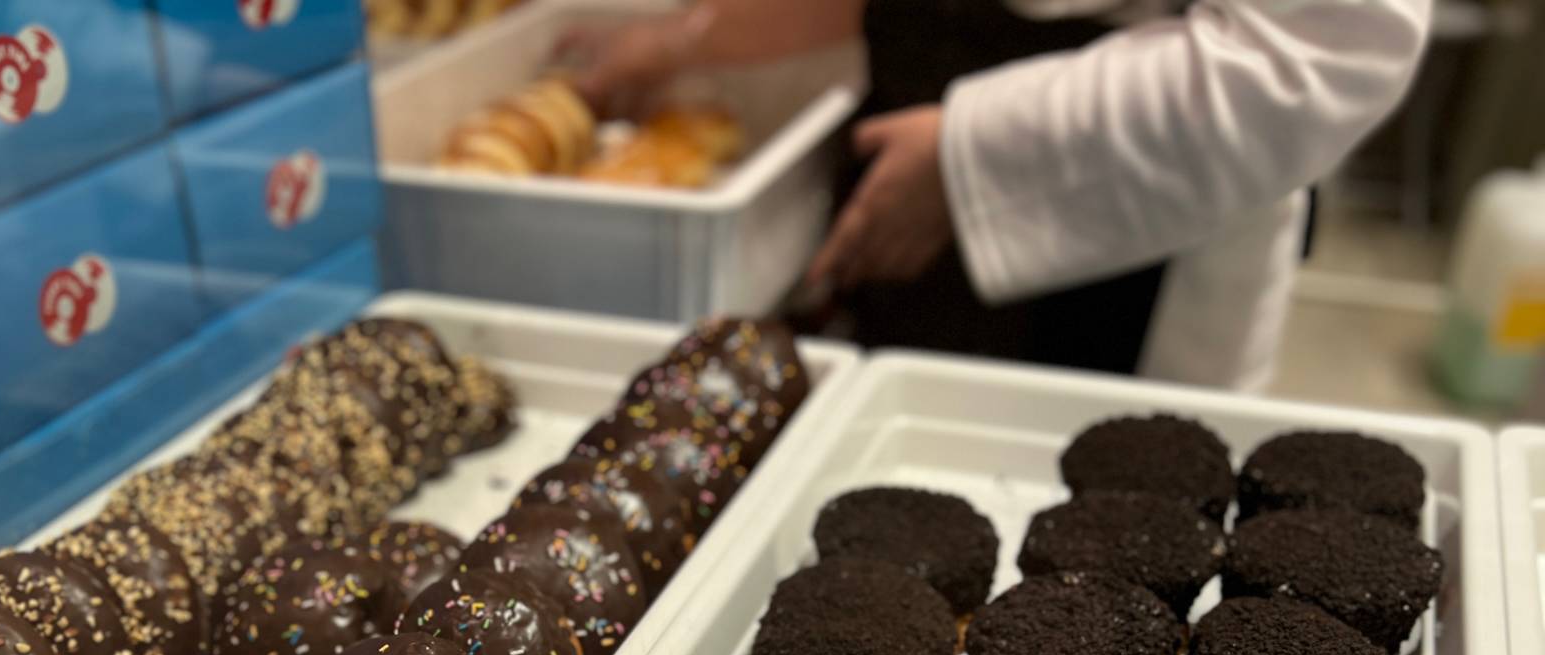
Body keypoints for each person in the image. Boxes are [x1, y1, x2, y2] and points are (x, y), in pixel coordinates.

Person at [561, 0, 1432, 389]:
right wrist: (685, 39)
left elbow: (1321, 54)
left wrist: (971, 159)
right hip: (896, 159)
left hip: (1123, 233)